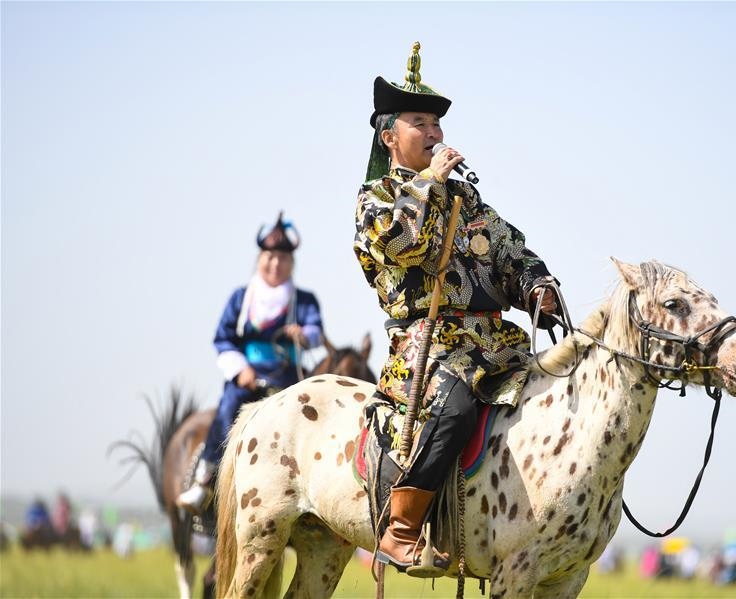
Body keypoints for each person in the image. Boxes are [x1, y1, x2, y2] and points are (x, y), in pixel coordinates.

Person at [354, 42, 559, 574]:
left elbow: (510, 250)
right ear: (389, 136)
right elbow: (405, 244)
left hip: (498, 343)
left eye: (437, 124)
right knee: (459, 407)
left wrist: (536, 286)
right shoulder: (376, 199)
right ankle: (400, 529)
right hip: (430, 346)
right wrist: (429, 183)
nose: (434, 133)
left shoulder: (467, 199)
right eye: (419, 123)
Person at [177, 212, 324, 513]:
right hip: (247, 378)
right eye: (270, 257)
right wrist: (241, 370)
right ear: (260, 259)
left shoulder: (304, 300)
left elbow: (316, 332)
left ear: (291, 263)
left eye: (283, 258)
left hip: (288, 379)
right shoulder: (241, 298)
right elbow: (223, 339)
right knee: (227, 410)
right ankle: (205, 481)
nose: (276, 264)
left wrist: (304, 335)